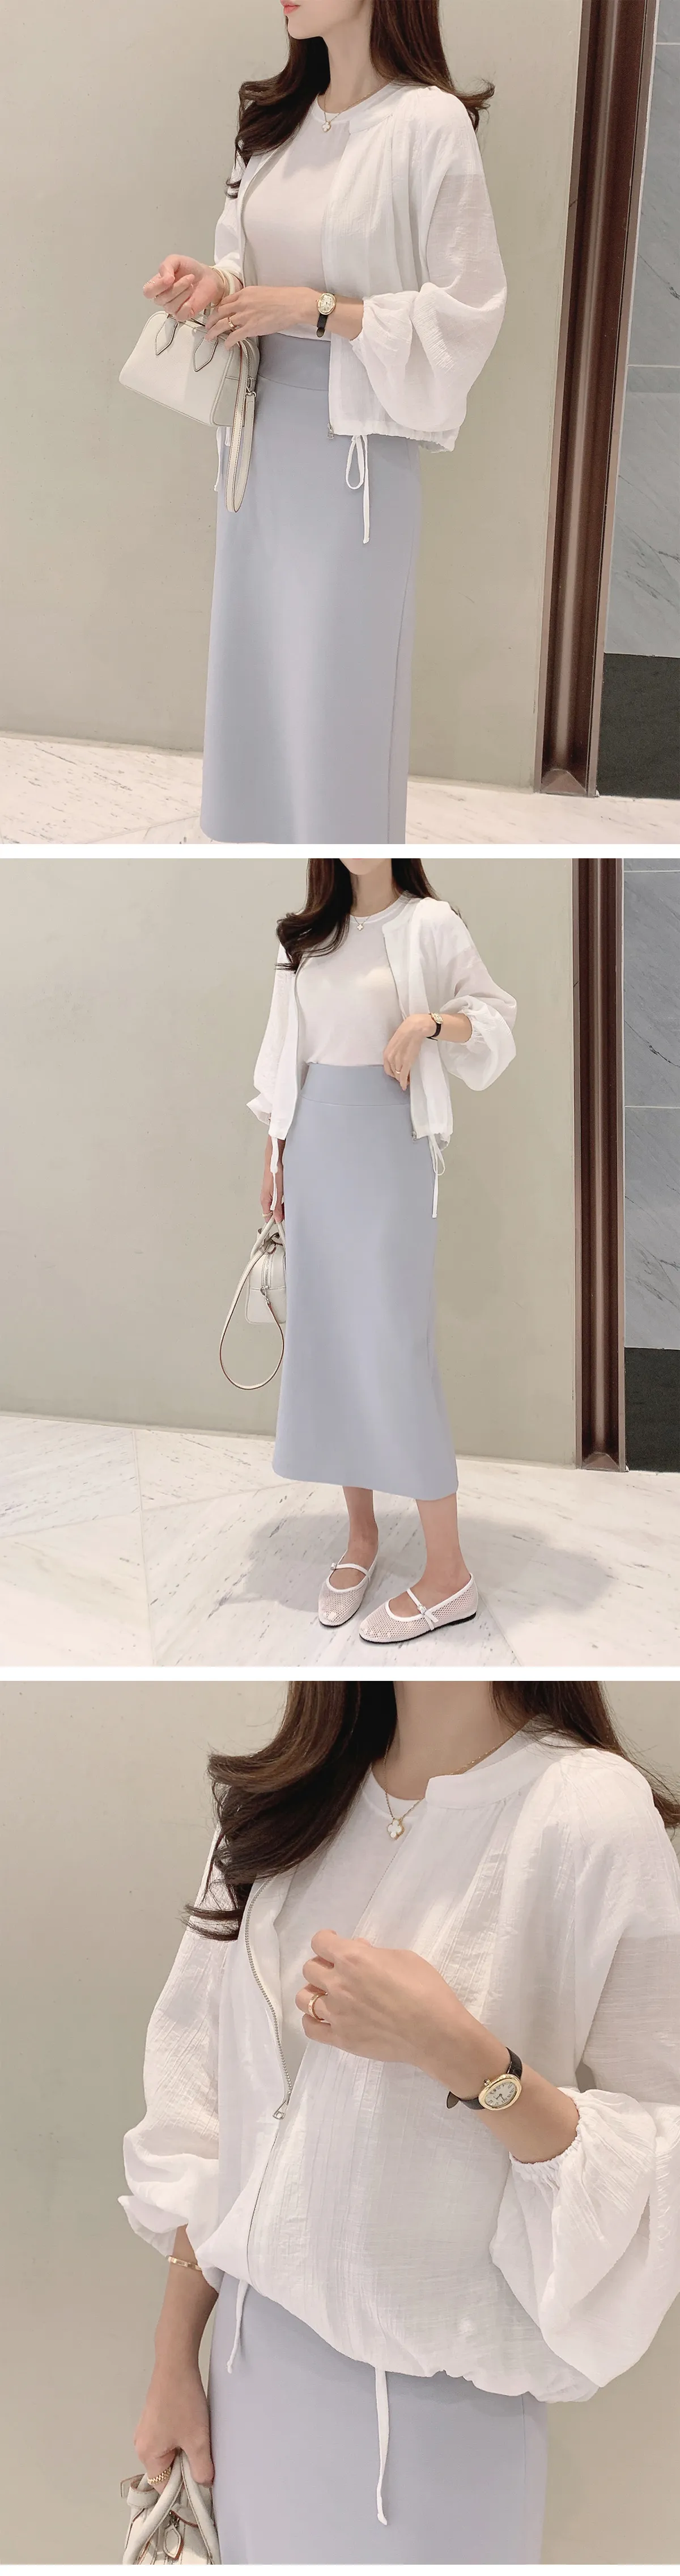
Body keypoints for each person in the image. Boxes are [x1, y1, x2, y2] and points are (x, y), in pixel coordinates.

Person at [122, 1676, 680, 2564]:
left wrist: (462, 2056)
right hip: (246, 2371)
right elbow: (204, 2113)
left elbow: (658, 2157)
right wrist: (171, 2360)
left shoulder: (587, 1814)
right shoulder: (284, 1801)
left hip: (441, 2422)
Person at [141, 0, 507, 843]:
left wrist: (314, 310)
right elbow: (247, 261)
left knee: (340, 693)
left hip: (355, 461)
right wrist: (217, 283)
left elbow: (469, 311)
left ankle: (343, 853)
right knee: (257, 677)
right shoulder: (276, 122)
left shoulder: (428, 124)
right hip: (256, 446)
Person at [252, 854, 516, 1635]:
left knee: (397, 1347)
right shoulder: (306, 939)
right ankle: (361, 1537)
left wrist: (427, 1023)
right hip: (315, 1144)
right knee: (332, 1340)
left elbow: (495, 1017)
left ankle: (449, 1573)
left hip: (393, 1145)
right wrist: (274, 1155)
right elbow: (282, 1054)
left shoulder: (430, 923)